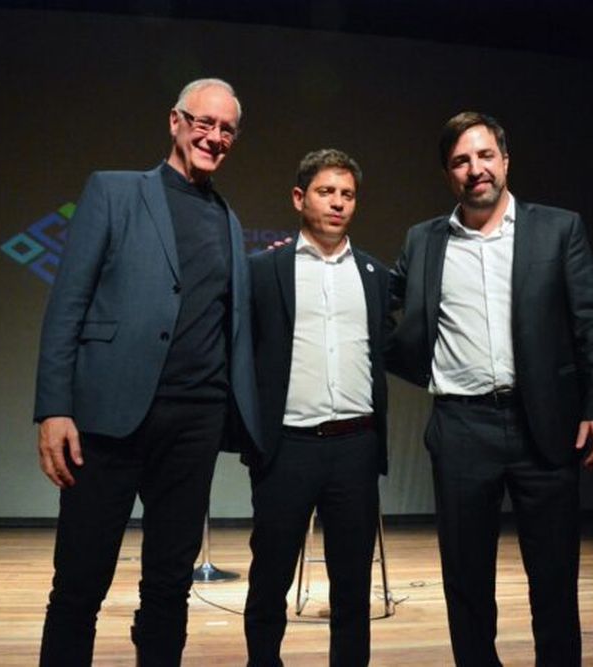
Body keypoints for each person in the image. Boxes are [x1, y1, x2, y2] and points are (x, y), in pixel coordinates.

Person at [32, 77, 262, 666]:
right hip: (108, 418)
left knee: (168, 585)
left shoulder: (228, 220)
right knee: (79, 583)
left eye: (226, 129)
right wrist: (54, 407)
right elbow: (68, 303)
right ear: (175, 121)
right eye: (204, 122)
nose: (214, 137)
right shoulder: (113, 191)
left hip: (193, 424)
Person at [386, 111, 593, 666]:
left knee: (555, 578)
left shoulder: (558, 229)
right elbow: (379, 301)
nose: (476, 169)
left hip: (545, 425)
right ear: (449, 173)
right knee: (466, 581)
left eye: (485, 155)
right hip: (461, 427)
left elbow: (592, 323)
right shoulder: (424, 240)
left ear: (505, 161)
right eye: (461, 161)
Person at [243, 149, 392, 667]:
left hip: (356, 446)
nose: (337, 203)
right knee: (270, 578)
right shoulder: (264, 270)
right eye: (326, 191)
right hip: (288, 448)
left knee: (352, 585)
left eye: (347, 194)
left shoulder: (375, 274)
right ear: (299, 198)